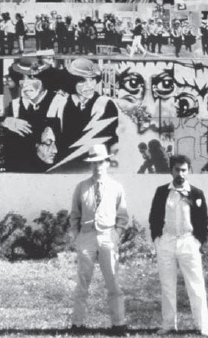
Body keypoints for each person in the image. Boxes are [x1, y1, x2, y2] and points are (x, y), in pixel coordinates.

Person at [69, 144, 129, 336]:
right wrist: (77, 237)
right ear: (90, 165)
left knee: (112, 280)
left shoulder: (116, 187)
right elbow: (74, 215)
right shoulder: (82, 187)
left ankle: (118, 324)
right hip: (86, 237)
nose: (97, 166)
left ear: (107, 163)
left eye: (101, 162)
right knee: (82, 281)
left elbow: (122, 216)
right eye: (94, 163)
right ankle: (77, 324)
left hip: (107, 237)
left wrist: (116, 235)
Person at [149, 154, 208, 336]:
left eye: (184, 170)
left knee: (196, 285)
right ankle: (168, 325)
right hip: (166, 242)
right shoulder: (161, 192)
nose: (181, 174)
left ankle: (203, 326)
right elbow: (154, 217)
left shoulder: (196, 193)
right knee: (167, 285)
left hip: (188, 242)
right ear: (171, 171)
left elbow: (204, 220)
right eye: (177, 169)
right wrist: (157, 239)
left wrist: (198, 241)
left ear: (188, 171)